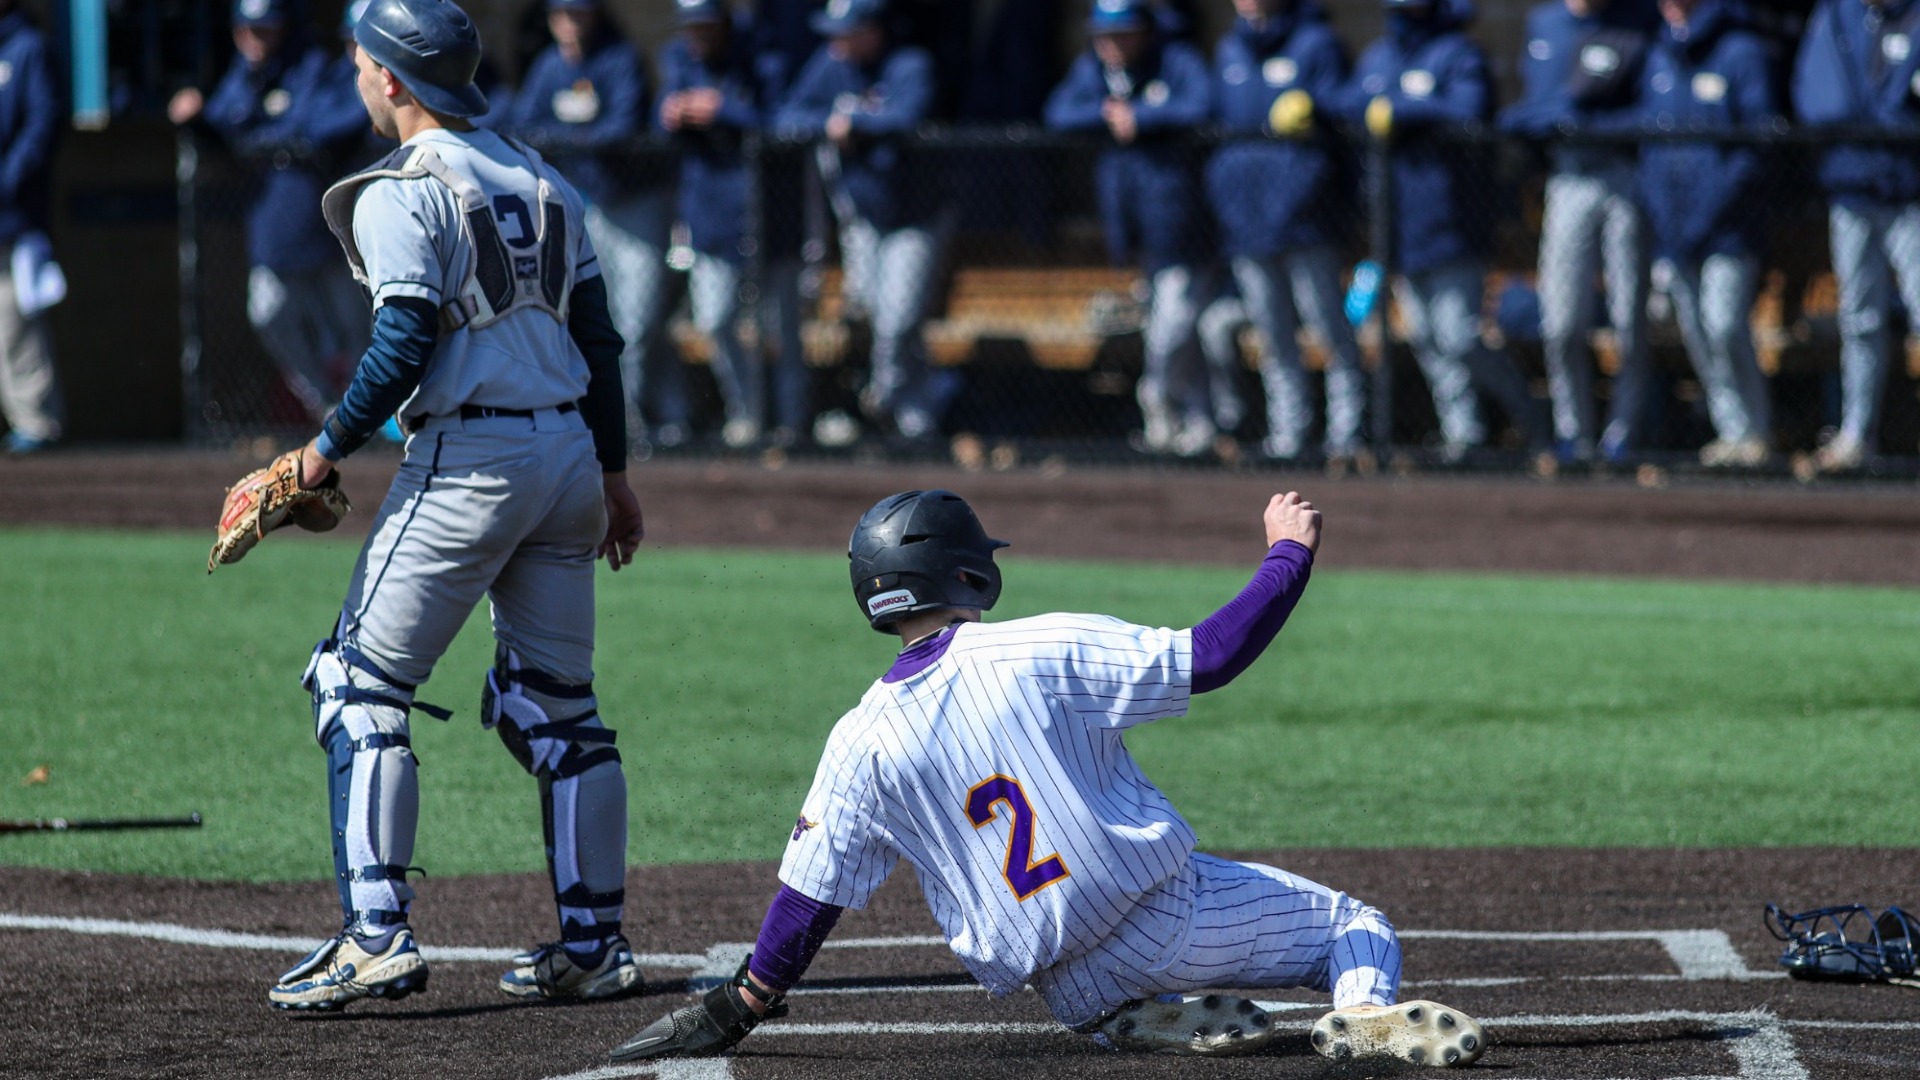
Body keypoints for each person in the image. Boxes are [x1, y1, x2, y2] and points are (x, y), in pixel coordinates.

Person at [606, 488, 1486, 1070]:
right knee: (1354, 928)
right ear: (962, 570)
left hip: (1065, 987)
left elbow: (809, 899)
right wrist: (1288, 554)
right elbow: (1211, 658)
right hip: (1167, 916)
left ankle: (1132, 1021)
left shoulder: (857, 740)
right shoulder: (1032, 647)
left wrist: (747, 999)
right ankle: (1366, 1014)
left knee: (1112, 997)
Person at [263, 0, 645, 1011]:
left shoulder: (404, 190)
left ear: (393, 78)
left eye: (358, 63)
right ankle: (596, 944)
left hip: (472, 459)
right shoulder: (545, 178)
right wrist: (612, 475)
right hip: (566, 455)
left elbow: (405, 339)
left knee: (356, 686)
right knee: (563, 714)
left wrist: (321, 448)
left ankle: (375, 936)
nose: (354, 78)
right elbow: (601, 343)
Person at [1340, 0, 1544, 462]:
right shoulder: (1381, 55)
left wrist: (1402, 110)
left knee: (1459, 337)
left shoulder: (1459, 53)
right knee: (1428, 341)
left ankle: (1530, 416)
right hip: (1399, 225)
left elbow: (1468, 109)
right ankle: (1464, 436)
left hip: (1454, 222)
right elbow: (1350, 100)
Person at [170, 0, 371, 425]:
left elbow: (323, 129)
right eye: (245, 29)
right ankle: (330, 409)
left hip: (328, 226)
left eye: (264, 30)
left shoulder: (313, 67)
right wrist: (200, 121)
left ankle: (368, 413)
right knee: (269, 310)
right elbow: (227, 124)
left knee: (355, 326)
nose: (253, 39)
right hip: (272, 225)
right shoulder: (245, 76)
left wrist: (268, 138)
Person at [508, 0, 688, 451]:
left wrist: (562, 138)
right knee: (604, 320)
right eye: (561, 14)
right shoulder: (550, 65)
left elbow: (621, 127)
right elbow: (523, 126)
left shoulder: (619, 57)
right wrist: (578, 139)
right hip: (586, 209)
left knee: (641, 319)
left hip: (636, 202)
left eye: (579, 13)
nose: (569, 23)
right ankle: (633, 420)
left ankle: (657, 414)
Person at [1046, 0, 1216, 457]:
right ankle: (1194, 421)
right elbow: (1058, 112)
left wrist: (1142, 118)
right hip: (1134, 227)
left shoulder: (1176, 60)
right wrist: (1108, 114)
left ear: (1144, 30)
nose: (1110, 43)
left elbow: (1204, 104)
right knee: (1174, 330)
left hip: (1184, 227)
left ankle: (1162, 409)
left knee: (1172, 330)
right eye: (1103, 34)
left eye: (1121, 33)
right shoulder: (1094, 70)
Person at [774, 0, 946, 442]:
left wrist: (855, 122)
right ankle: (917, 411)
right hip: (864, 218)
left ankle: (887, 403)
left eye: (847, 31)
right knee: (875, 313)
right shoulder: (832, 63)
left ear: (872, 29)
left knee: (898, 317)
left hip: (915, 216)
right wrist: (831, 122)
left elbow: (907, 115)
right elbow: (786, 116)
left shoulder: (909, 63)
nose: (837, 41)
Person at [1499, 0, 1659, 468]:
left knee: (1630, 318)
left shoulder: (1638, 21)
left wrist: (1590, 124)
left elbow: (1653, 110)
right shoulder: (1545, 23)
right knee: (1562, 321)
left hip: (1621, 178)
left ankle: (1623, 437)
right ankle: (1575, 435)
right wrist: (1545, 119)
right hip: (1566, 179)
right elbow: (1533, 107)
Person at [1209, 0, 1365, 462]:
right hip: (1246, 221)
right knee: (1273, 336)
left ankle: (1346, 437)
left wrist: (1315, 107)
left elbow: (1349, 102)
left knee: (1328, 329)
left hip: (1306, 221)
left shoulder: (1317, 42)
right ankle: (1288, 438)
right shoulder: (1229, 49)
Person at [1635, 0, 1777, 467]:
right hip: (1674, 228)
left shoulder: (1741, 50)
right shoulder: (1658, 51)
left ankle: (1755, 431)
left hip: (1728, 226)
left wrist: (1709, 211)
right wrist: (1662, 211)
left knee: (1725, 326)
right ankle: (1731, 432)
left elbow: (1758, 143)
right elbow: (1648, 144)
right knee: (1698, 333)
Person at [660, 0, 800, 449]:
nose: (697, 35)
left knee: (782, 327)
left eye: (705, 25)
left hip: (772, 214)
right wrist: (674, 113)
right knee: (716, 319)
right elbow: (656, 126)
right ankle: (748, 415)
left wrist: (724, 110)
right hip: (710, 215)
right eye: (691, 27)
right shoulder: (677, 58)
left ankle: (793, 426)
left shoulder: (764, 57)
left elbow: (785, 123)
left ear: (723, 21)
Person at [1793, 0, 1920, 474]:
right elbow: (1819, 100)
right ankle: (1856, 434)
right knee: (1858, 318)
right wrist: (1890, 115)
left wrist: (1875, 118)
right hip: (1852, 192)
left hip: (1911, 193)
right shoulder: (1836, 15)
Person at [0, 0, 61, 455]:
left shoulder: (27, 48)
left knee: (14, 320)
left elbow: (43, 122)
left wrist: (9, 179)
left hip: (13, 217)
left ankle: (36, 422)